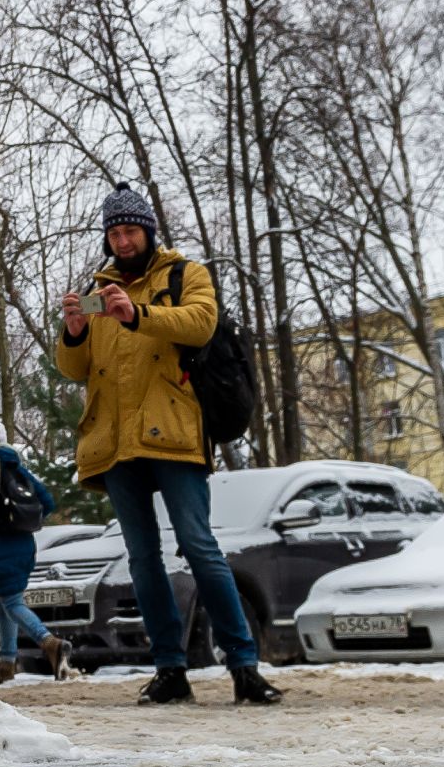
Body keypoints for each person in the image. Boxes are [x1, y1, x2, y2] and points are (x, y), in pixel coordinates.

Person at [57, 183, 282, 706]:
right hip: (116, 443)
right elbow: (75, 368)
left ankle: (244, 665)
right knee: (142, 559)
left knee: (200, 548)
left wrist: (137, 315)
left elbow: (201, 325)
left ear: (149, 232)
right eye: (114, 233)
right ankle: (169, 669)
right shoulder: (96, 286)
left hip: (176, 432)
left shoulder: (185, 274)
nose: (123, 240)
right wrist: (72, 331)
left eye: (131, 230)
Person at [0, 420, 69, 686]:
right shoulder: (17, 466)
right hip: (23, 545)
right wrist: (22, 522)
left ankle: (49, 642)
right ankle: (7, 664)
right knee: (1, 604)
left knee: (11, 603)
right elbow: (47, 502)